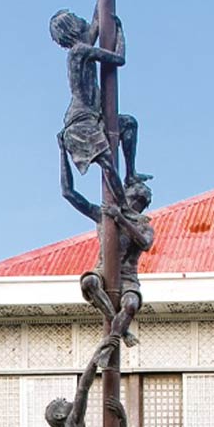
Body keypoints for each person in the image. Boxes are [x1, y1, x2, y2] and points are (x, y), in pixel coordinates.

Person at [59, 139, 154, 358]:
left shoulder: (143, 225)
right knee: (89, 281)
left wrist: (121, 218)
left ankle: (110, 343)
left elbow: (145, 243)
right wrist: (62, 153)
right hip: (103, 271)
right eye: (132, 197)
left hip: (128, 277)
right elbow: (69, 193)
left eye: (138, 200)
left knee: (130, 305)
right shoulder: (105, 217)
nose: (133, 201)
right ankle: (120, 329)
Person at [50, 7, 149, 205]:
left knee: (128, 124)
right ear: (71, 28)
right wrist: (119, 32)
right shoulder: (80, 51)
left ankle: (131, 175)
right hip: (81, 121)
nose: (81, 19)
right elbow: (118, 58)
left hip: (94, 117)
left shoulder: (82, 47)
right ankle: (123, 208)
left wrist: (103, 4)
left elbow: (95, 24)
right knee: (107, 163)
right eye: (76, 18)